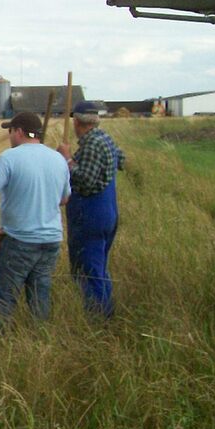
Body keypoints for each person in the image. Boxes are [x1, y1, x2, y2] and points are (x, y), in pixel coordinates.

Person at [0, 111, 71, 328]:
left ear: (19, 131)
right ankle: (41, 335)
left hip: (19, 239)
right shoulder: (58, 159)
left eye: (10, 131)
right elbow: (65, 199)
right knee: (40, 294)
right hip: (51, 241)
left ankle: (0, 340)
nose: (9, 136)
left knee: (6, 297)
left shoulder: (9, 157)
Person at [58, 101, 125, 318]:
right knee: (99, 268)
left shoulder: (92, 145)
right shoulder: (105, 139)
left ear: (77, 122)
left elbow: (85, 181)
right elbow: (121, 160)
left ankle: (98, 319)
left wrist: (68, 159)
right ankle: (106, 311)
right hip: (108, 213)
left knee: (89, 272)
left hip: (90, 217)